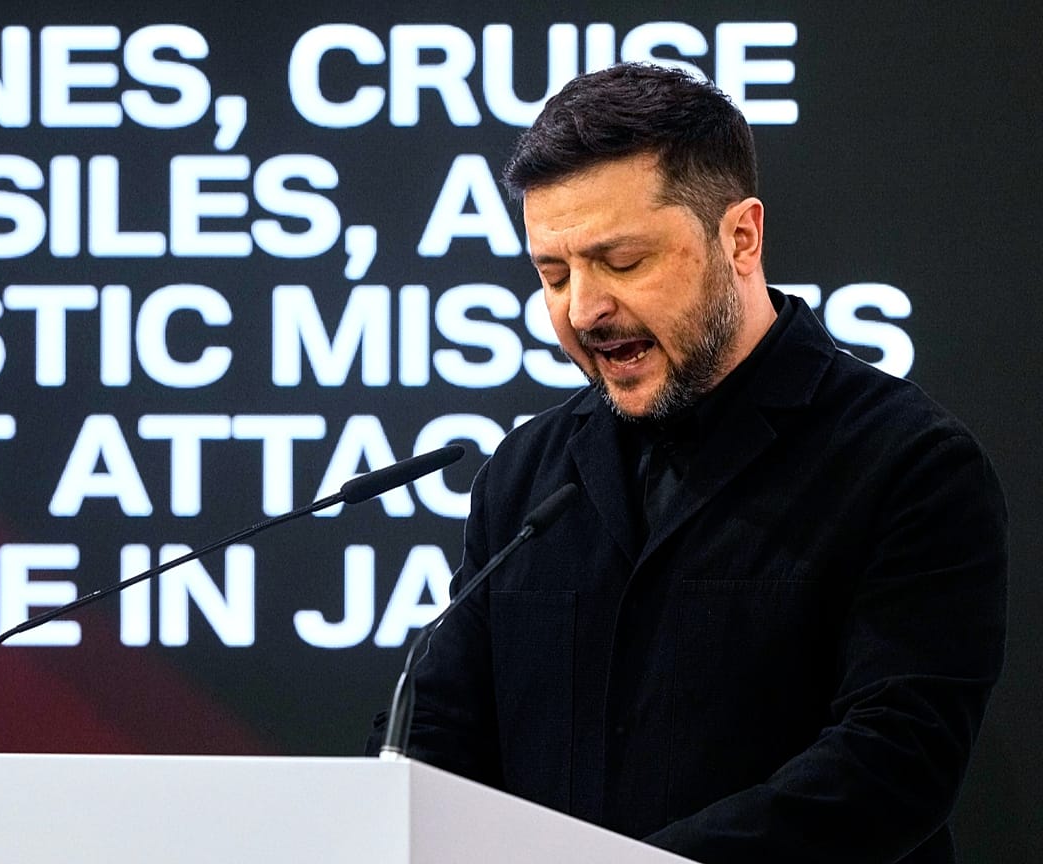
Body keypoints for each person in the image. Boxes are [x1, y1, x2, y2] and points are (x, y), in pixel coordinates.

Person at [368, 63, 1007, 864]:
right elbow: (439, 728)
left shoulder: (908, 464)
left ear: (740, 236)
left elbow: (892, 766)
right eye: (553, 274)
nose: (583, 310)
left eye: (622, 262)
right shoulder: (526, 472)